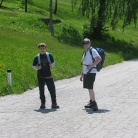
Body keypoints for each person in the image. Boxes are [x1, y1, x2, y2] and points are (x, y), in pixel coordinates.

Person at [32, 43, 59, 109]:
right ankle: (43, 103)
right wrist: (37, 68)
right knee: (41, 90)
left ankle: (54, 103)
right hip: (40, 76)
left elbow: (53, 61)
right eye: (41, 48)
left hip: (48, 76)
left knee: (52, 90)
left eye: (43, 48)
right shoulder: (37, 57)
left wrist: (52, 65)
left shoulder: (49, 55)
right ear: (39, 49)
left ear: (45, 48)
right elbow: (33, 65)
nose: (42, 49)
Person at [80, 38, 101, 111]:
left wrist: (91, 66)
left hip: (91, 71)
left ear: (90, 43)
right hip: (86, 72)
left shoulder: (93, 50)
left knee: (90, 87)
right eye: (84, 43)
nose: (85, 45)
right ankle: (91, 102)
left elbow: (99, 59)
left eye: (87, 43)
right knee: (88, 88)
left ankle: (94, 103)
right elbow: (84, 64)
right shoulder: (85, 52)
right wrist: (81, 74)